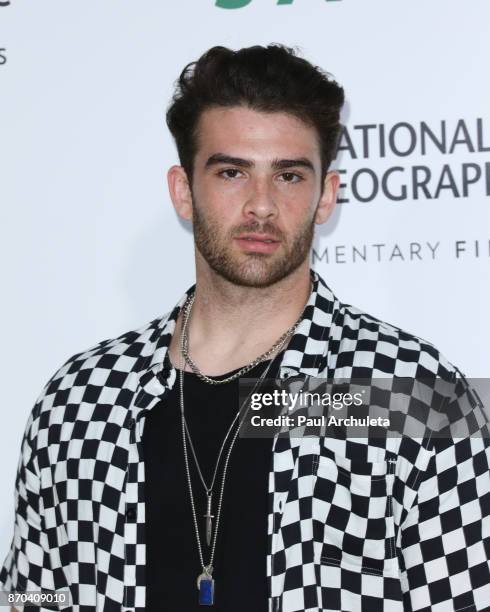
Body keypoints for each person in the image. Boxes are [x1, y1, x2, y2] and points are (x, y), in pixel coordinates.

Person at [1, 44, 489, 612]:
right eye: (231, 172)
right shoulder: (81, 399)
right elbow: (32, 600)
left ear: (325, 195)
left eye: (288, 175)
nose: (261, 205)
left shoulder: (412, 396)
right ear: (183, 190)